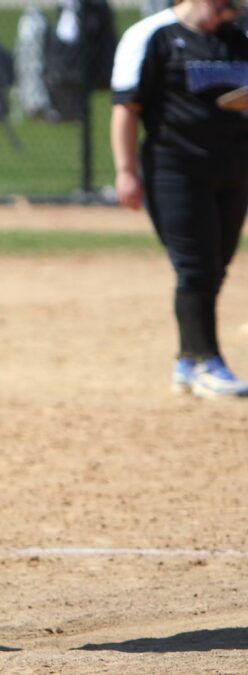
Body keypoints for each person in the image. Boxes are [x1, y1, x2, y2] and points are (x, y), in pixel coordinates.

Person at [110, 0, 248, 399]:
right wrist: (126, 170)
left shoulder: (235, 38)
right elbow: (126, 107)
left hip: (233, 167)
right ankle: (207, 362)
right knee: (196, 267)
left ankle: (188, 360)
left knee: (216, 266)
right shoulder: (153, 36)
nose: (233, 9)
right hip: (175, 169)